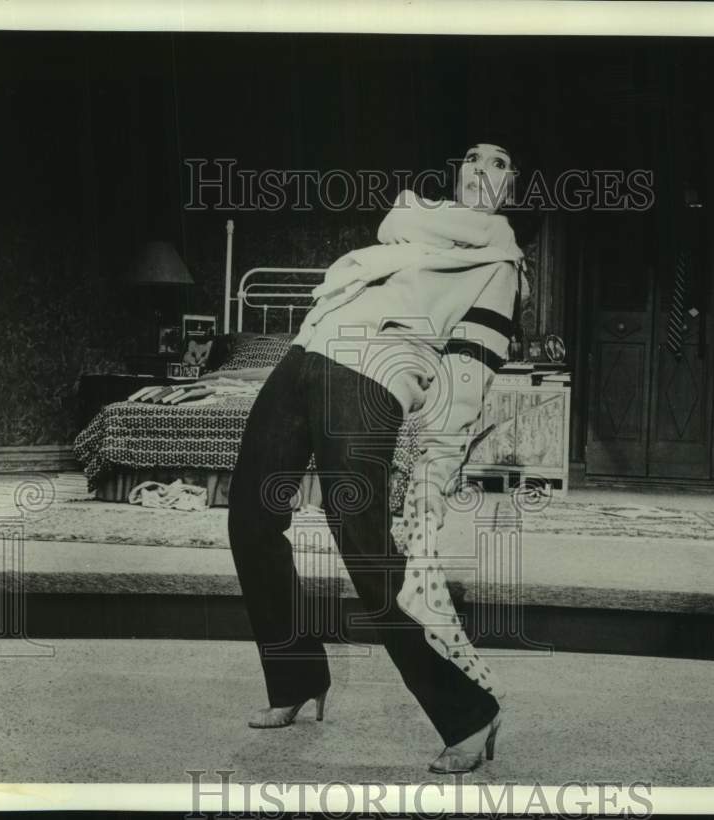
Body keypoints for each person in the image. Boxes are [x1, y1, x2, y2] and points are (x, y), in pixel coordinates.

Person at [227, 139, 537, 774]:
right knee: (249, 517)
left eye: (500, 163)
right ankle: (296, 678)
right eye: (474, 157)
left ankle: (469, 712)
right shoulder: (405, 227)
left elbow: (469, 375)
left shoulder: (500, 263)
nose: (482, 168)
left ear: (513, 190)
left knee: (363, 542)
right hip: (307, 352)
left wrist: (436, 474)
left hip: (373, 374)